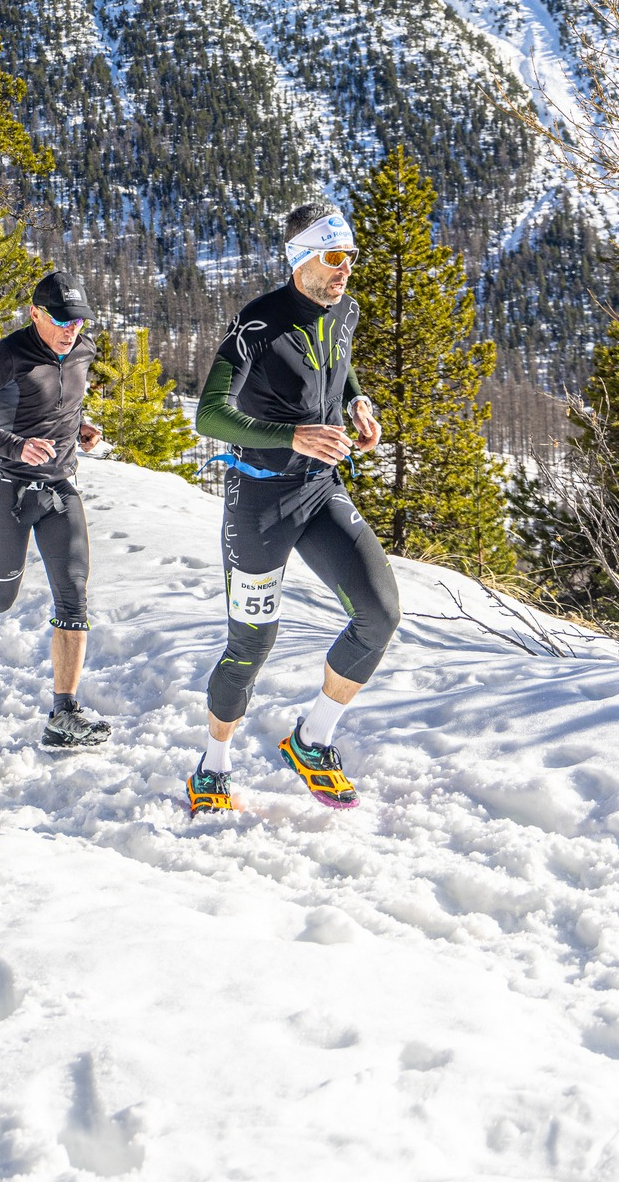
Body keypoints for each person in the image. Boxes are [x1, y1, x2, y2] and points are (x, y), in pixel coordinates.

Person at [187, 199, 398, 815]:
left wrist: (358, 405)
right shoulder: (259, 323)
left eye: (351, 258)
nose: (345, 270)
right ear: (301, 258)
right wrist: (292, 435)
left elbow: (338, 365)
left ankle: (313, 739)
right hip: (259, 498)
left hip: (320, 488)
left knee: (379, 615)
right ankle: (214, 764)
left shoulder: (345, 310)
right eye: (333, 258)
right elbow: (209, 414)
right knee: (252, 642)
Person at [0, 269, 111, 749]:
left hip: (60, 488)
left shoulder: (83, 349)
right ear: (35, 313)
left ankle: (64, 715)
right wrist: (15, 446)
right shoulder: (7, 354)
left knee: (74, 597)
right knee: (1, 594)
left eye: (77, 321)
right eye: (60, 320)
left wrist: (82, 428)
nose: (70, 330)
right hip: (9, 489)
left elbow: (65, 402)